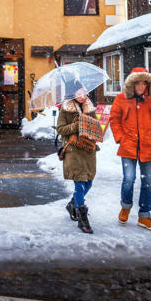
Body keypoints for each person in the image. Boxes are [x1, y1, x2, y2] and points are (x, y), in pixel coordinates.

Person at [108, 67, 151, 231]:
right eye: (138, 83)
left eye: (144, 83)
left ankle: (144, 216)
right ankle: (125, 206)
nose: (141, 86)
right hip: (128, 147)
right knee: (129, 178)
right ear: (132, 84)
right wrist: (121, 138)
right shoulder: (121, 99)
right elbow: (114, 119)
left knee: (148, 183)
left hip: (149, 148)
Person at [56, 87, 98, 234]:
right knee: (79, 184)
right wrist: (77, 125)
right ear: (73, 93)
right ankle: (82, 219)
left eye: (84, 93)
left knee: (89, 182)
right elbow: (60, 129)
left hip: (88, 149)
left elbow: (96, 126)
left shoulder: (89, 107)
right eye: (79, 93)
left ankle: (72, 204)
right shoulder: (66, 109)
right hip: (73, 151)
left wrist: (91, 126)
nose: (82, 96)